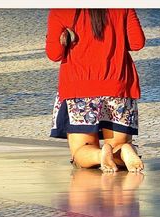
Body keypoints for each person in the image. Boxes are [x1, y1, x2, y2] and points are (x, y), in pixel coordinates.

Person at [45, 9, 146, 173]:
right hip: (118, 86)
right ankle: (124, 150)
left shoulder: (61, 10)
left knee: (81, 151)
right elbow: (137, 43)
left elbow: (54, 54)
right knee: (119, 144)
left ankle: (100, 156)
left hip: (80, 90)